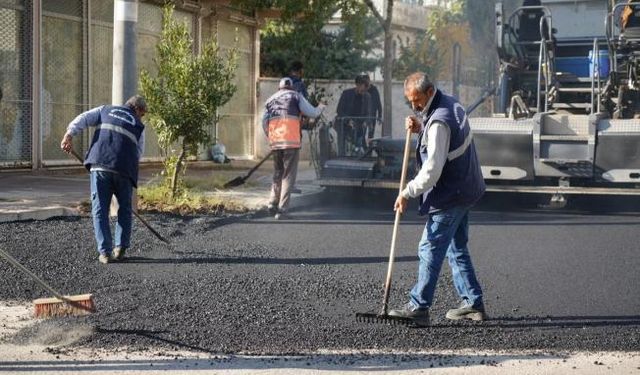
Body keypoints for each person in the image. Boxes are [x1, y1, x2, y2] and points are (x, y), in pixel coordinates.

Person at [389, 72, 486, 326]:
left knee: (429, 247)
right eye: (410, 101)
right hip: (467, 187)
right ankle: (473, 303)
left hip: (451, 193)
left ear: (430, 92)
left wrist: (406, 192)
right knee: (456, 248)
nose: (414, 106)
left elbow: (432, 170)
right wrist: (421, 126)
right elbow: (443, 141)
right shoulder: (450, 103)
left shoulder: (439, 122)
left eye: (417, 100)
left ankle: (419, 307)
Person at [60, 95, 147, 264]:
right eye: (142, 114)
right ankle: (120, 248)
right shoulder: (139, 126)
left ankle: (105, 253)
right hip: (124, 170)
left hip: (100, 166)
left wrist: (69, 134)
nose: (141, 117)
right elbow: (138, 153)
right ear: (137, 110)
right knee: (125, 209)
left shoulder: (105, 110)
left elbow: (83, 118)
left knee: (100, 209)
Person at [262, 77, 324, 220]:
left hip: (276, 142)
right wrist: (321, 106)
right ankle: (282, 210)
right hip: (291, 143)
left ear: (279, 88)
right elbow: (313, 113)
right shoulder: (296, 96)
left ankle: (272, 202)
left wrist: (271, 136)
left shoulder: (270, 100)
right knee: (288, 176)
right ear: (291, 87)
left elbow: (264, 122)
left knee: (278, 172)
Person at [335, 75, 373, 155]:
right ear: (357, 85)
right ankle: (342, 157)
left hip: (359, 126)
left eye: (365, 91)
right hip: (344, 125)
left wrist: (366, 122)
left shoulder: (367, 97)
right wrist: (348, 121)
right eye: (362, 90)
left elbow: (368, 113)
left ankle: (357, 157)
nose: (362, 92)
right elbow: (339, 110)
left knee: (358, 145)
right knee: (342, 143)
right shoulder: (346, 94)